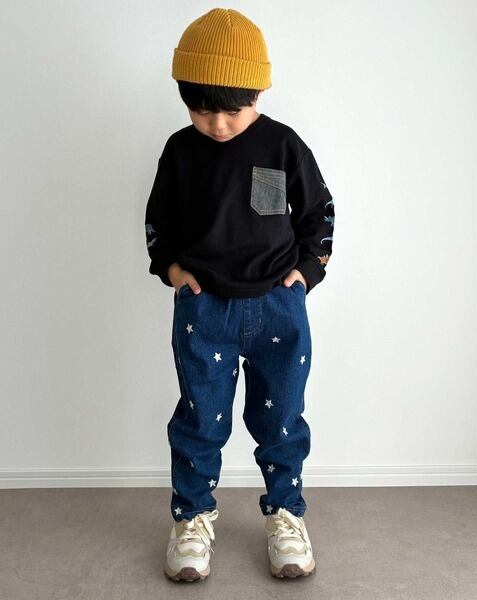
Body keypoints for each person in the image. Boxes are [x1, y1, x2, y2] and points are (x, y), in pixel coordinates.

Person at [145, 7, 335, 583]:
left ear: (258, 92)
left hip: (279, 307)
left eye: (233, 109)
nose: (219, 123)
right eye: (203, 109)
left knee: (282, 420)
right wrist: (171, 268)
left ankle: (286, 513)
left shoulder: (282, 145)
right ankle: (192, 517)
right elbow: (158, 219)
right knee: (200, 420)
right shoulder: (180, 151)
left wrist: (309, 269)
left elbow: (319, 212)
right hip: (205, 309)